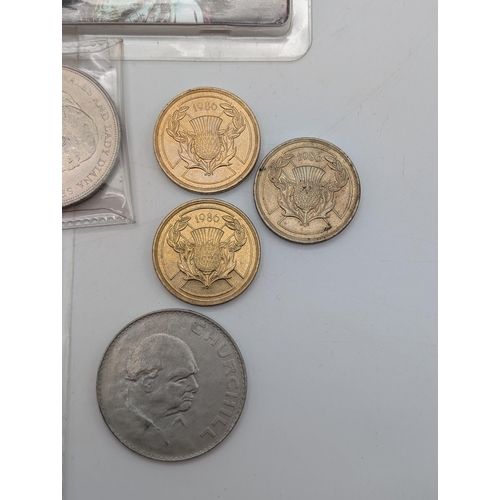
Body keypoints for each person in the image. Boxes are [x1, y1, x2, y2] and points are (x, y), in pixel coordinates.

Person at [120, 333, 199, 448]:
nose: (195, 386)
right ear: (148, 383)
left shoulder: (181, 423)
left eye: (193, 376)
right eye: (181, 380)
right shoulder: (121, 420)